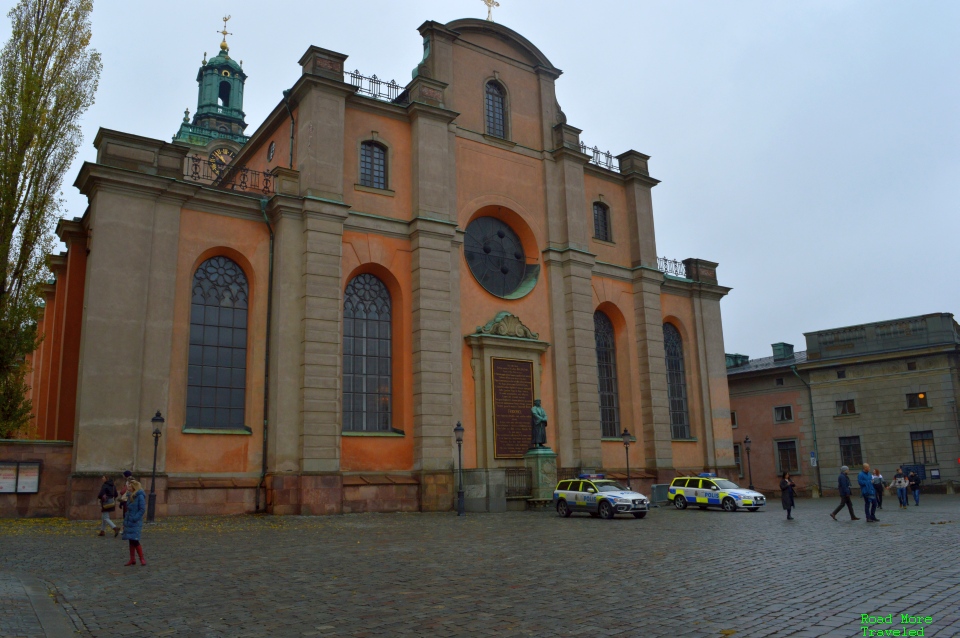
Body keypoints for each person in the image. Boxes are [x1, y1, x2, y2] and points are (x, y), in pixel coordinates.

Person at [122, 479, 147, 566]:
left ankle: (142, 558)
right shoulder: (130, 496)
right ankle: (132, 559)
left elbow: (142, 509)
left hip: (135, 521)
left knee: (135, 540)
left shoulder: (140, 496)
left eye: (129, 486)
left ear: (133, 487)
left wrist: (135, 518)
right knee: (130, 540)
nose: (127, 487)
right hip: (129, 520)